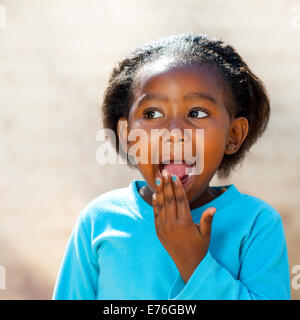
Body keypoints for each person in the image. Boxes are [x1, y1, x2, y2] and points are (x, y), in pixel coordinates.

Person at [52, 33, 290, 300]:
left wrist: (193, 261)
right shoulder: (98, 221)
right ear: (127, 136)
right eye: (152, 114)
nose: (174, 132)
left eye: (197, 113)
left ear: (233, 135)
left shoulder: (257, 224)